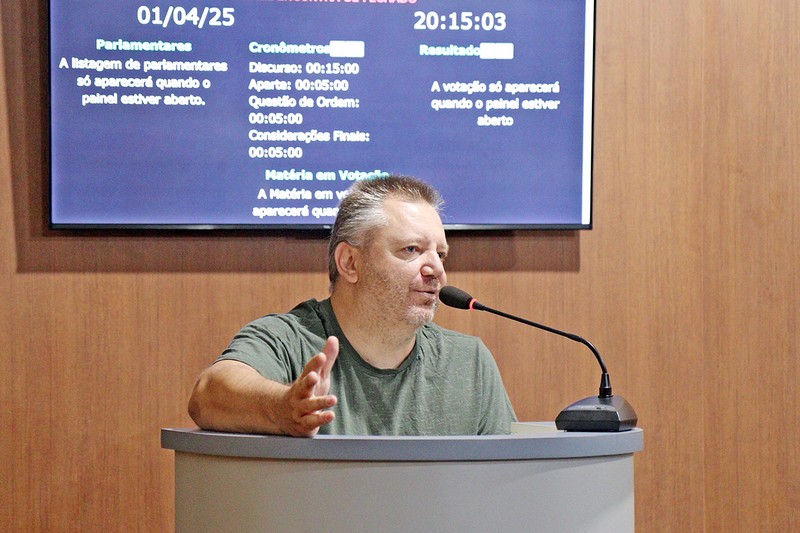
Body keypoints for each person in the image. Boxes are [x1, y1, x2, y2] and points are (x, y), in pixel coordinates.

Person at [188, 175, 516, 436]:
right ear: (350, 263)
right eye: (412, 249)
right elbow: (208, 395)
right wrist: (284, 408)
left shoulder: (469, 362)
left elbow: (506, 479)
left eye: (440, 254)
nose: (437, 271)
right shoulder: (288, 339)